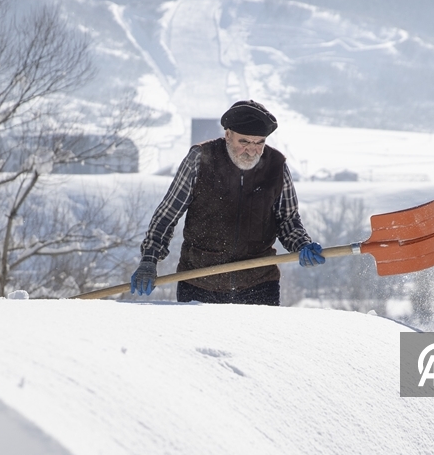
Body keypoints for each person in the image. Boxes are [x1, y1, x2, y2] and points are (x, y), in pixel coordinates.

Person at [130, 100, 325, 306]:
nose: (252, 151)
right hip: (199, 283)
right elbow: (167, 215)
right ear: (228, 135)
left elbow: (287, 220)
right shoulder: (201, 159)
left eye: (259, 143)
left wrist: (301, 244)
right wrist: (149, 260)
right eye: (244, 142)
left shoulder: (276, 165)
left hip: (258, 285)